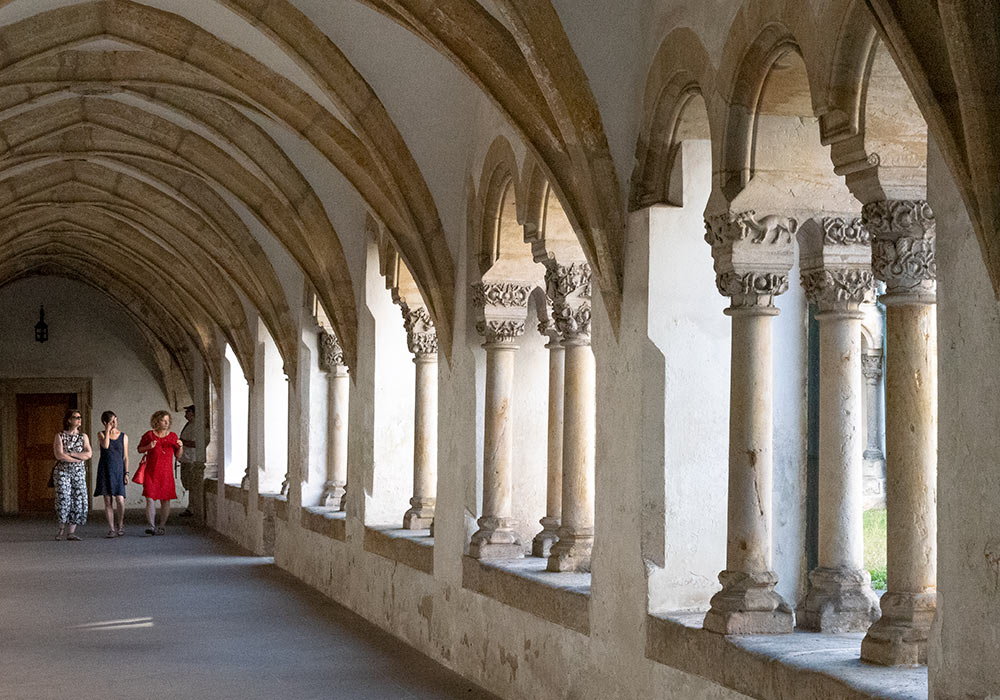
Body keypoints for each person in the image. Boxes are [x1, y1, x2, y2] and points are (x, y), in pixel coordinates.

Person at [137, 410, 182, 536]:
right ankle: (151, 526)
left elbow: (178, 455)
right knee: (150, 499)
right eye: (163, 420)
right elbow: (140, 449)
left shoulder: (173, 436)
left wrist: (181, 446)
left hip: (166, 474)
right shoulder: (149, 435)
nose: (166, 423)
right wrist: (149, 447)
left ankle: (162, 526)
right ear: (157, 421)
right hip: (151, 472)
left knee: (165, 500)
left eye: (168, 420)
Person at [52, 409, 92, 541]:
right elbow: (59, 455)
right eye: (76, 417)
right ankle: (61, 529)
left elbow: (88, 454)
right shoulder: (60, 436)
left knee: (78, 499)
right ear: (69, 420)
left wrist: (69, 454)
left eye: (80, 417)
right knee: (64, 498)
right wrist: (77, 458)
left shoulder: (83, 437)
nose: (79, 419)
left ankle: (71, 532)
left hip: (79, 472)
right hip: (63, 471)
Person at [94, 410, 129, 537]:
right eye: (112, 421)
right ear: (105, 422)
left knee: (120, 499)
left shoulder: (123, 436)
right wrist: (107, 430)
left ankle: (120, 524)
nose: (115, 423)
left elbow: (125, 457)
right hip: (105, 469)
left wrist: (126, 473)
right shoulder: (101, 434)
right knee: (107, 499)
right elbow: (106, 446)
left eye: (116, 419)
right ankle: (112, 528)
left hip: (119, 470)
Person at [177, 404, 201, 518]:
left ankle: (192, 508)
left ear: (194, 413)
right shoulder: (188, 425)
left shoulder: (197, 426)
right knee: (187, 484)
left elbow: (196, 444)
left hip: (191, 459)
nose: (186, 414)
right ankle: (191, 506)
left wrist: (182, 442)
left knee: (192, 485)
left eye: (188, 412)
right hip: (185, 459)